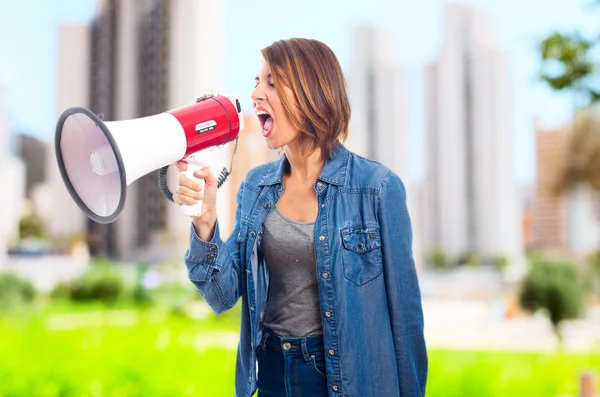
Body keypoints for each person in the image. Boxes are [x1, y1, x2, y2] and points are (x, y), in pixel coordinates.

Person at [173, 38, 427, 397]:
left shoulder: (377, 188)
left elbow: (406, 321)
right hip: (272, 374)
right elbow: (223, 295)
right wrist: (205, 223)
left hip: (344, 380)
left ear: (313, 91)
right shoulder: (255, 186)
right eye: (256, 82)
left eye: (272, 82)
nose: (257, 93)